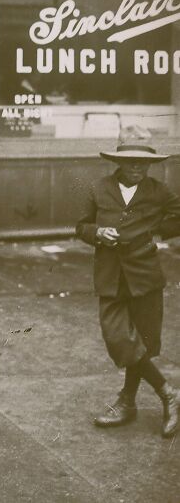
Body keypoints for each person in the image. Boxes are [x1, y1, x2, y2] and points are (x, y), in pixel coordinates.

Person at [76, 125, 180, 439]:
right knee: (119, 338)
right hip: (110, 277)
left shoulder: (159, 191)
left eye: (143, 162)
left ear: (150, 163)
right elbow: (81, 226)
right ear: (118, 161)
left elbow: (177, 216)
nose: (137, 167)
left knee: (142, 344)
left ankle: (127, 402)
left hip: (145, 278)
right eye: (131, 160)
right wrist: (97, 234)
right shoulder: (99, 188)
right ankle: (167, 393)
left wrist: (153, 232)